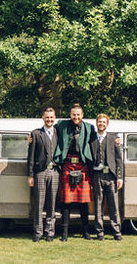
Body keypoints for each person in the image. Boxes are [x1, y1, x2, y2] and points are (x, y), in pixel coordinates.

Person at [53, 103, 95, 241]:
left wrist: (116, 139)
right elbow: (47, 131)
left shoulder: (89, 128)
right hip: (67, 164)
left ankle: (85, 232)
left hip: (82, 165)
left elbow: (99, 139)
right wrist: (32, 136)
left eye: (78, 115)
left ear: (82, 115)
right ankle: (64, 233)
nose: (76, 117)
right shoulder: (61, 125)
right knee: (66, 201)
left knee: (83, 201)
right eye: (73, 115)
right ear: (70, 115)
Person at [27, 106, 59, 242]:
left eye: (51, 117)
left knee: (52, 204)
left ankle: (50, 233)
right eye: (47, 117)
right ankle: (38, 232)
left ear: (55, 118)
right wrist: (30, 175)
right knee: (39, 204)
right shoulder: (35, 134)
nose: (49, 119)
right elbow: (31, 156)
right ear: (43, 118)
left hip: (55, 171)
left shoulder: (59, 132)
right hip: (40, 172)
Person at [89, 113, 123, 240]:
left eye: (104, 122)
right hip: (97, 175)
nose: (101, 124)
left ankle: (117, 232)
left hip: (111, 175)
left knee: (114, 205)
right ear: (96, 123)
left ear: (107, 124)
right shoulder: (91, 138)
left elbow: (119, 159)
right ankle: (99, 232)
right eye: (99, 122)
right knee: (98, 205)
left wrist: (119, 177)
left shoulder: (113, 138)